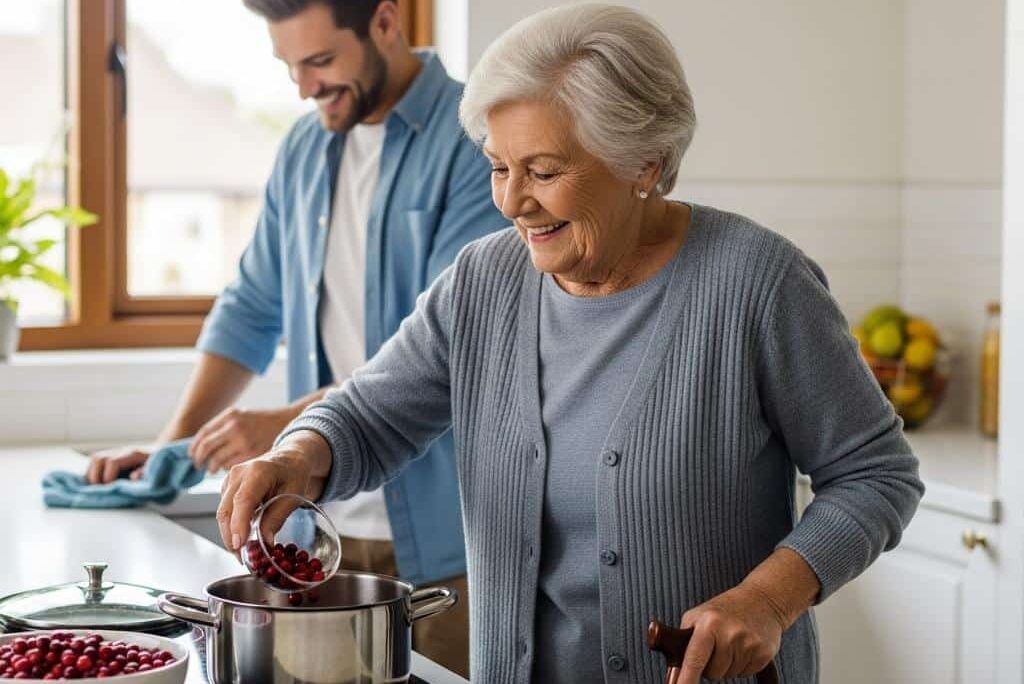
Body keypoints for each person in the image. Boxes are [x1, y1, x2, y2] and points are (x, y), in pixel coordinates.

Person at [215, 4, 925, 683]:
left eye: (545, 172)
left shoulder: (757, 285)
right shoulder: (482, 282)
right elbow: (370, 415)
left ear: (643, 162)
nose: (512, 201)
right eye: (499, 166)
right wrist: (297, 455)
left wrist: (770, 599)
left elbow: (876, 475)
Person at [86, 0, 506, 675]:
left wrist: (288, 428)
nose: (304, 87)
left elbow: (454, 346)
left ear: (385, 22)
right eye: (289, 67)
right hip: (318, 523)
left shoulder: (476, 141)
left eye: (319, 61)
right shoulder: (305, 148)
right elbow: (251, 308)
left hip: (449, 540)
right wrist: (171, 447)